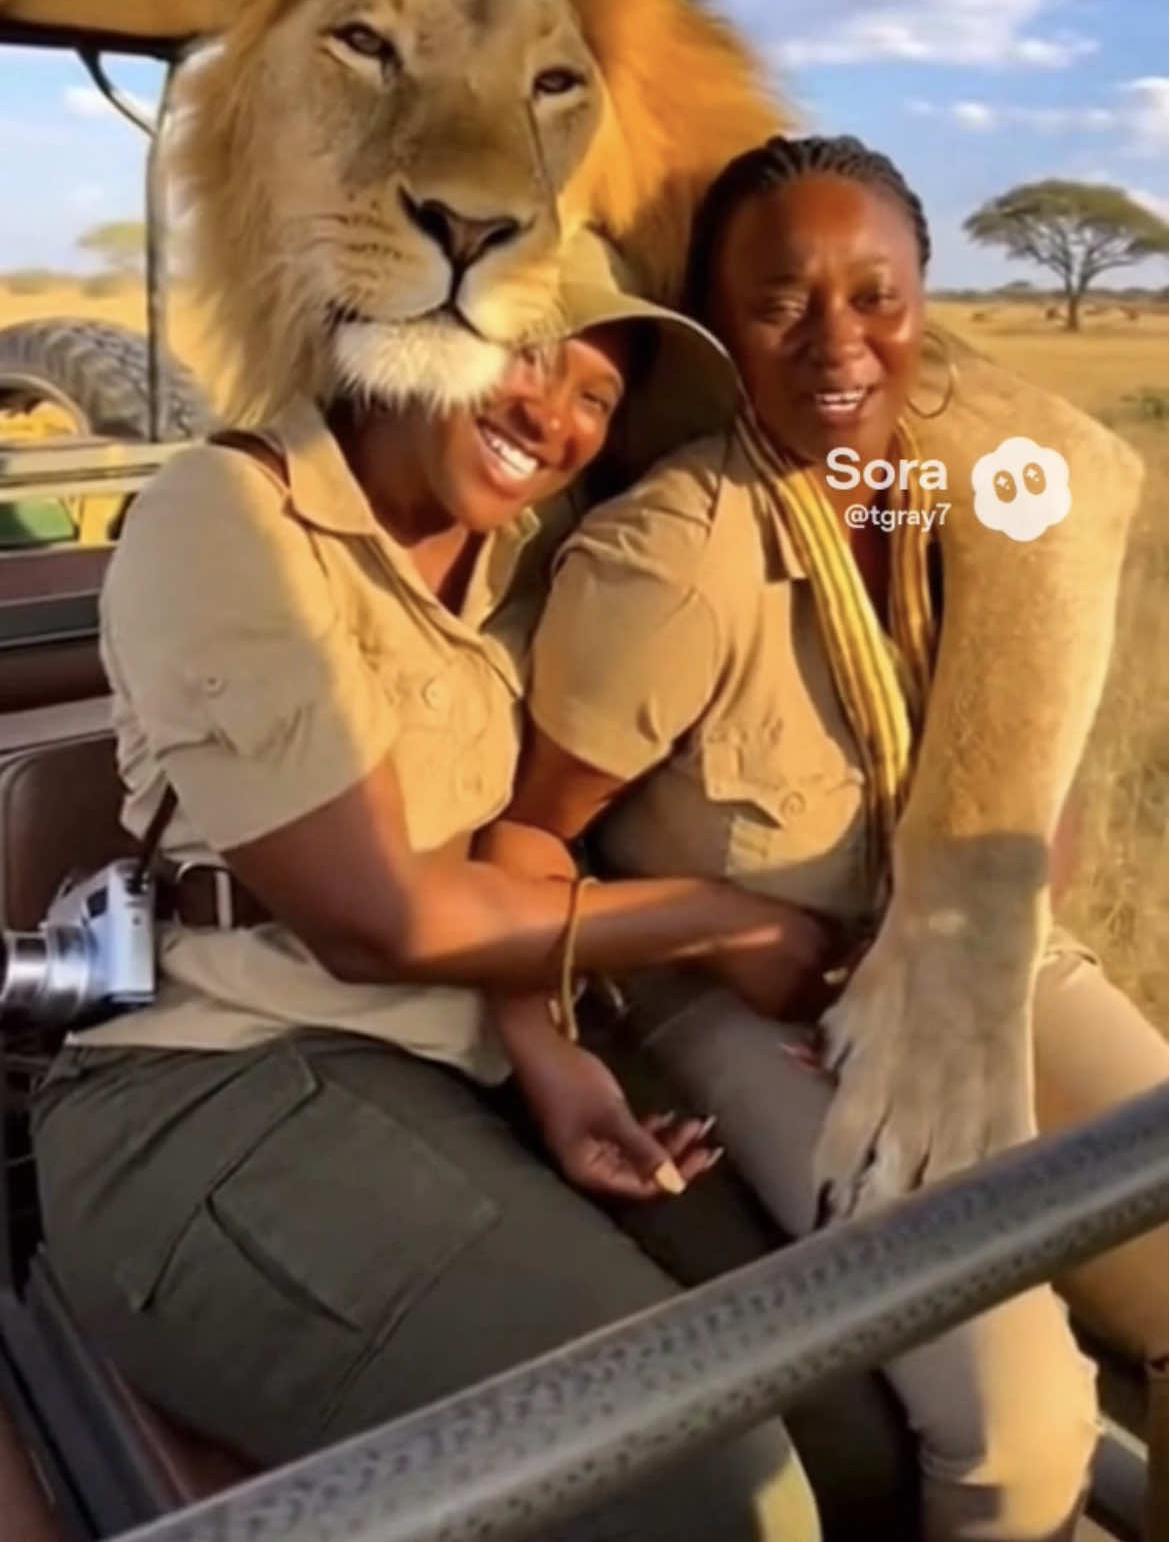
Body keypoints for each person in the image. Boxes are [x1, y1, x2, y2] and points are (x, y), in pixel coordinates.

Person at [31, 232, 825, 1542]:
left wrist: (542, 1039)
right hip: (214, 1088)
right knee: (705, 1474)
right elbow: (378, 913)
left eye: (594, 395)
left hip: (455, 1070)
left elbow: (506, 835)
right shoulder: (229, 513)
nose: (552, 416)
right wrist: (719, 917)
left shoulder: (526, 550)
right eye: (524, 354)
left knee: (843, 1392)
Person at [478, 136, 1169, 1542]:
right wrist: (595, 1017)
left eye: (878, 297)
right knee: (1018, 1421)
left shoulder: (960, 497)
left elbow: (1032, 772)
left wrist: (1019, 836)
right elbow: (527, 847)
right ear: (718, 328)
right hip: (753, 997)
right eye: (781, 302)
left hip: (974, 955)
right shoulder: (669, 561)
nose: (837, 344)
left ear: (929, 304)